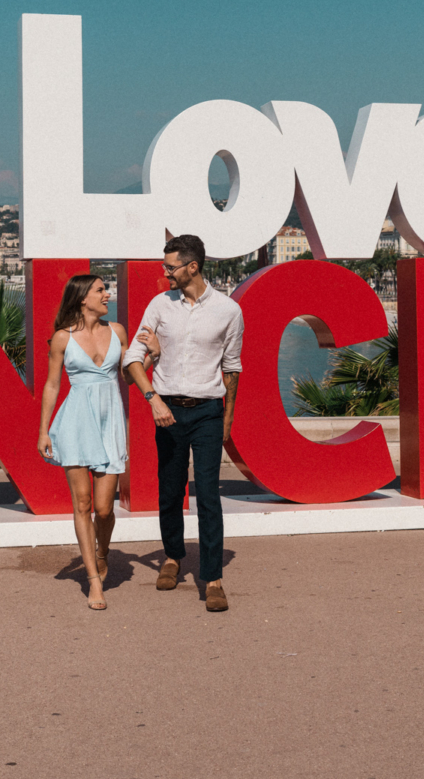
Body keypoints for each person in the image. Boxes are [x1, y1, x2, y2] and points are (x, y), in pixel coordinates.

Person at [122, 233, 243, 613]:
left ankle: (213, 577)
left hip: (208, 410)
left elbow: (232, 368)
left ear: (193, 266)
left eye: (171, 267)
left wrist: (228, 419)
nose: (165, 273)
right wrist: (152, 398)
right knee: (170, 490)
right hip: (168, 409)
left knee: (208, 495)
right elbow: (132, 357)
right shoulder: (160, 305)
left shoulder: (228, 311)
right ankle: (172, 558)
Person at [37, 274, 129, 611]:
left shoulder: (117, 332)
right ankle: (93, 581)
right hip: (76, 422)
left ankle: (102, 551)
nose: (108, 294)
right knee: (82, 504)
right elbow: (51, 385)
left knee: (105, 509)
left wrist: (153, 356)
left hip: (110, 422)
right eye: (101, 290)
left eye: (106, 289)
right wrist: (44, 430)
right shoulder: (62, 339)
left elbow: (129, 374)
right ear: (82, 298)